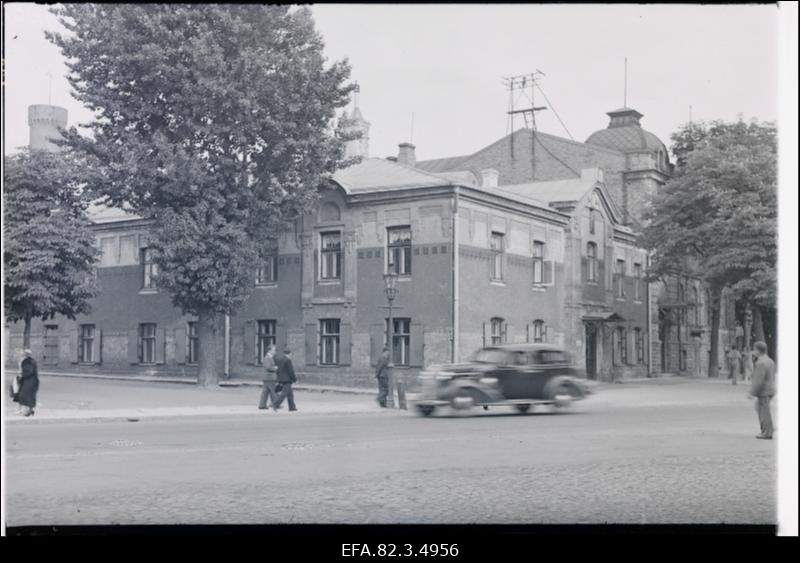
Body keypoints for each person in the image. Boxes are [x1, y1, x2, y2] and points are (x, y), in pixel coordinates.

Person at [749, 341, 776, 440]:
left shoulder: (761, 363)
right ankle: (769, 428)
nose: (753, 351)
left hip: (764, 391)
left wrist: (752, 392)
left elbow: (758, 380)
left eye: (754, 349)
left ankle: (767, 432)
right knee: (760, 408)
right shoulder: (770, 361)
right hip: (770, 389)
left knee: (763, 412)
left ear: (758, 350)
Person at [272, 347, 297, 412]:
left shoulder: (279, 359)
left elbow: (277, 369)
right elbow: (291, 371)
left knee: (290, 394)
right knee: (284, 393)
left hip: (281, 378)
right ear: (290, 353)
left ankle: (292, 407)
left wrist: (278, 377)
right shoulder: (288, 360)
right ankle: (275, 404)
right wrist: (294, 379)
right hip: (287, 379)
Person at [15, 349, 39, 417]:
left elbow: (29, 371)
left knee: (25, 396)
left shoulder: (27, 362)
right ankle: (30, 410)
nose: (21, 354)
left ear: (25, 355)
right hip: (31, 381)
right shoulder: (30, 361)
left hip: (29, 381)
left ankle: (28, 411)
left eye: (22, 353)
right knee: (29, 396)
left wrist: (22, 375)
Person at [258, 344, 280, 410]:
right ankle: (275, 404)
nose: (275, 351)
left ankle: (262, 405)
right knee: (274, 391)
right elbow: (268, 367)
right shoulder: (268, 358)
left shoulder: (268, 357)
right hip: (270, 377)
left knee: (265, 392)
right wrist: (275, 368)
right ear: (270, 350)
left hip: (267, 377)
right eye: (274, 350)